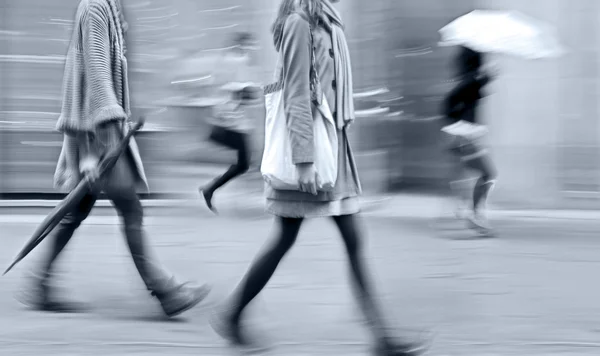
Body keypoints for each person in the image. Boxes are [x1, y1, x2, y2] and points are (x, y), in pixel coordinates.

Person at [210, 1, 427, 355]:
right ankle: (233, 313)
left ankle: (381, 336)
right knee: (296, 237)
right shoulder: (300, 23)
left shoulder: (326, 22)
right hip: (311, 152)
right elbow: (295, 92)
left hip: (331, 147)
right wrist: (304, 160)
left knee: (333, 237)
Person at [17, 0, 210, 317]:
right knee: (130, 210)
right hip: (100, 137)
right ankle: (165, 292)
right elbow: (95, 77)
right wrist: (94, 152)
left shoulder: (104, 5)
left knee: (75, 212)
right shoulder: (95, 7)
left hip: (99, 134)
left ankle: (39, 285)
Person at [200, 32, 262, 213]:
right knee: (245, 162)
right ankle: (210, 189)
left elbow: (242, 91)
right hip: (231, 122)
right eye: (251, 45)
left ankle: (210, 189)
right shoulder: (237, 60)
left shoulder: (236, 59)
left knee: (245, 162)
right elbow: (235, 89)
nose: (253, 49)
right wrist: (248, 91)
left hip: (234, 121)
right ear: (243, 44)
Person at [442, 46, 498, 233]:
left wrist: (485, 80)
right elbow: (448, 105)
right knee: (488, 174)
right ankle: (474, 213)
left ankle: (465, 209)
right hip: (466, 138)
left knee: (472, 174)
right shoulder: (471, 81)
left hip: (465, 136)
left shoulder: (471, 80)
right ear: (476, 61)